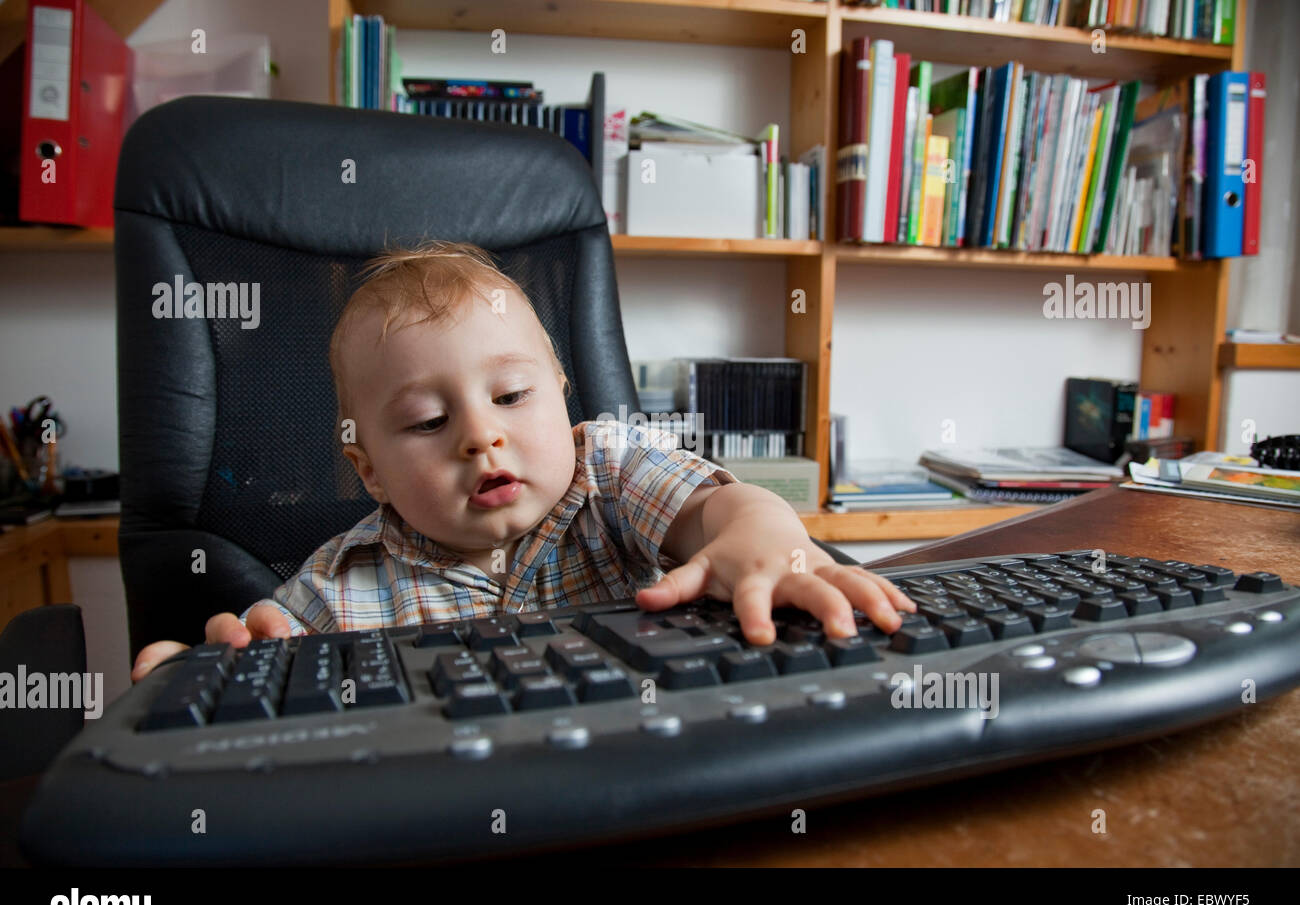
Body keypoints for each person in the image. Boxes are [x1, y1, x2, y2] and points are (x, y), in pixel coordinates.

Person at [131, 241, 914, 681]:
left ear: (563, 396)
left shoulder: (607, 471)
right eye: (428, 421)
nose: (481, 437)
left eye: (511, 396)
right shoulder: (337, 590)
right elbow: (265, 677)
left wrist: (758, 533)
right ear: (368, 470)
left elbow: (716, 510)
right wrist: (203, 678)